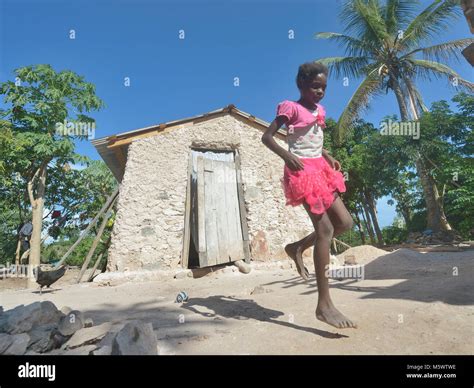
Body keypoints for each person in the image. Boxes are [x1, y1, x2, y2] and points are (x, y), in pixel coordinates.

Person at [261, 62, 356, 329]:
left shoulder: (320, 111)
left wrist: (327, 155)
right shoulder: (290, 108)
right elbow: (267, 138)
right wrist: (286, 155)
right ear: (301, 84)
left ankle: (298, 247)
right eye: (315, 86)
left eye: (324, 87)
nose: (321, 91)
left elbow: (314, 138)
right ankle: (324, 305)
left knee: (345, 223)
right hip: (301, 171)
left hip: (321, 169)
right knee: (325, 229)